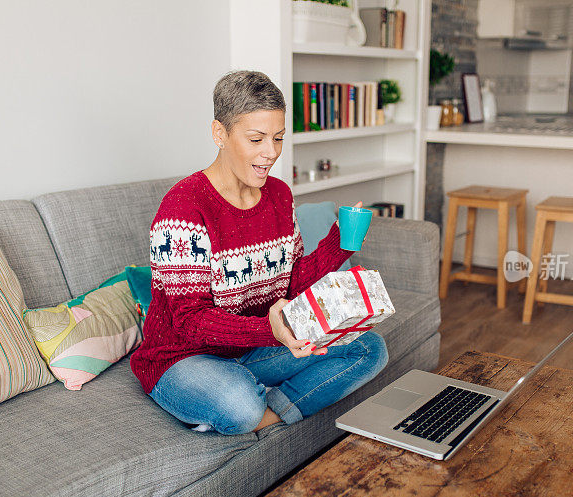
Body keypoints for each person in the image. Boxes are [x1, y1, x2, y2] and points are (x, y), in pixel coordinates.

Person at [130, 70, 388, 435]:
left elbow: (292, 280)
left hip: (255, 345)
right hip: (185, 356)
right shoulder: (184, 208)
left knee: (368, 348)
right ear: (220, 133)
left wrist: (340, 242)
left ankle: (267, 407)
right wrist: (270, 329)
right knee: (237, 403)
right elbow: (189, 321)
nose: (271, 153)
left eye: (278, 138)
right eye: (256, 139)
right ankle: (244, 398)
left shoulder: (279, 195)